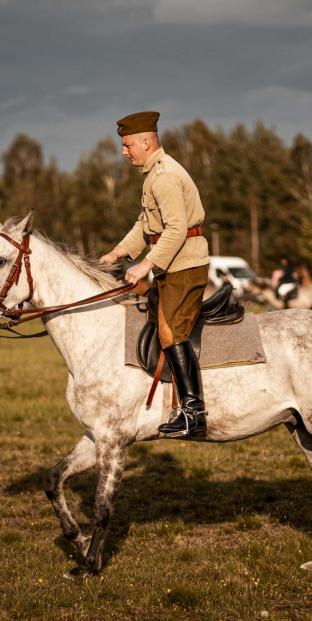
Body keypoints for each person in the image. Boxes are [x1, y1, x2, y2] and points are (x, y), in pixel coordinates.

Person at [99, 111, 210, 438]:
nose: (123, 151)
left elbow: (176, 230)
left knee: (169, 332)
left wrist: (145, 264)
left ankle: (193, 413)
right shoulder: (154, 175)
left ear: (146, 142)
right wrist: (119, 252)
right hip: (173, 264)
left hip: (184, 266)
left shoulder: (163, 177)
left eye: (127, 144)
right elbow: (145, 226)